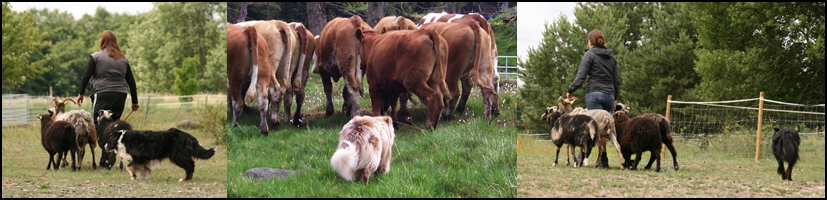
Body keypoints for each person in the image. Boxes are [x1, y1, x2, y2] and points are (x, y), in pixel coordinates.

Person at [566, 29, 621, 168]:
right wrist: (615, 98)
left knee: (595, 128)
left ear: (590, 42)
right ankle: (604, 159)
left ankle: (600, 159)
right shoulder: (612, 58)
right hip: (609, 95)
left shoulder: (589, 55)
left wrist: (570, 90)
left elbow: (581, 76)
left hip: (594, 94)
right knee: (606, 128)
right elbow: (617, 80)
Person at [76, 30, 139, 125]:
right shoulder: (124, 59)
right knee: (113, 125)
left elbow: (86, 75)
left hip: (102, 94)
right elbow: (131, 81)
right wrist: (135, 102)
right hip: (120, 95)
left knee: (99, 125)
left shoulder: (95, 57)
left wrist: (80, 93)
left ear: (102, 41)